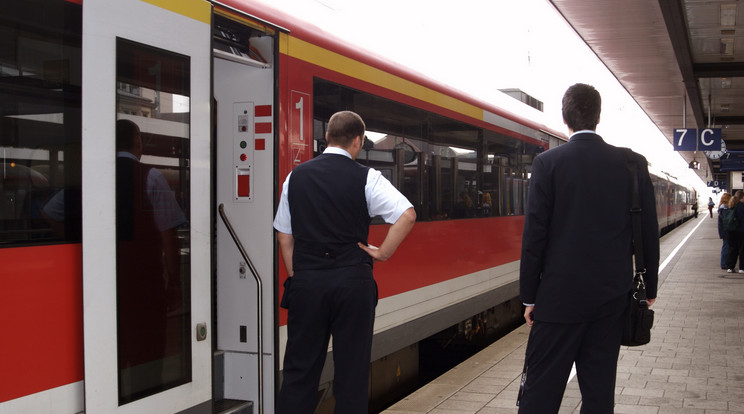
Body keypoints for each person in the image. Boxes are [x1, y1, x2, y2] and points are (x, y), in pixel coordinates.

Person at [518, 83, 659, 413]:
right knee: (598, 395)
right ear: (598, 117)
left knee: (540, 393)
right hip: (610, 300)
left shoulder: (547, 164)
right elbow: (648, 231)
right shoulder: (631, 165)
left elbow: (534, 236)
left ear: (565, 117)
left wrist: (529, 296)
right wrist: (649, 286)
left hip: (557, 301)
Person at [273, 111, 416, 413]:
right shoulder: (367, 177)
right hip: (353, 283)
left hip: (308, 282)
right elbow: (407, 214)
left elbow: (284, 237)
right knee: (352, 374)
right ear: (358, 141)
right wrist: (382, 253)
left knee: (299, 372)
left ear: (326, 138)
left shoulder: (295, 177)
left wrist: (300, 275)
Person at [115, 119, 187, 401]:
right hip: (143, 281)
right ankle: (146, 399)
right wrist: (174, 282)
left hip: (106, 280)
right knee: (148, 346)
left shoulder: (93, 175)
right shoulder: (151, 176)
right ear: (137, 141)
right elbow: (169, 235)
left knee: (115, 343)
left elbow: (52, 211)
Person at [726, 190, 744, 273]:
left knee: (732, 249)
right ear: (742, 197)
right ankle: (741, 268)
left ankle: (730, 267)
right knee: (742, 249)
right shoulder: (742, 206)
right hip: (741, 231)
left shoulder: (731, 205)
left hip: (731, 231)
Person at [718, 193, 732, 269]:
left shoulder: (723, 208)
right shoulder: (724, 209)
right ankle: (724, 264)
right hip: (725, 231)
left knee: (726, 246)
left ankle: (725, 263)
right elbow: (726, 220)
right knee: (726, 247)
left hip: (724, 231)